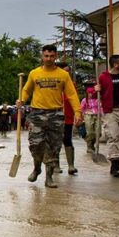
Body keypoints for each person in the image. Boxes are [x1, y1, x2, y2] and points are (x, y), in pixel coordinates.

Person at [16, 45, 82, 188]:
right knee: (35, 145)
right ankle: (37, 168)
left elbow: (71, 94)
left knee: (54, 147)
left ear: (56, 56)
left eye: (51, 56)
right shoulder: (34, 73)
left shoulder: (63, 75)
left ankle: (49, 177)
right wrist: (21, 99)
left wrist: (78, 112)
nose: (49, 59)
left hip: (56, 114)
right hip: (37, 114)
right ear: (42, 56)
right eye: (46, 56)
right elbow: (27, 90)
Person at [56, 62, 78, 175]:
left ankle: (71, 165)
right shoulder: (54, 83)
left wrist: (78, 114)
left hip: (68, 117)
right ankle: (55, 165)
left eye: (68, 70)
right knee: (55, 142)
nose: (67, 73)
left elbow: (75, 99)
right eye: (65, 70)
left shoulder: (72, 84)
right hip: (54, 117)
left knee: (67, 139)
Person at [80, 80, 100, 154]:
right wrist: (81, 117)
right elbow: (81, 109)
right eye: (89, 93)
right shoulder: (85, 100)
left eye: (92, 93)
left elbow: (102, 108)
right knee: (90, 132)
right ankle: (89, 145)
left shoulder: (98, 100)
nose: (91, 94)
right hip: (88, 116)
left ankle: (92, 144)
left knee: (98, 132)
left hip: (97, 115)